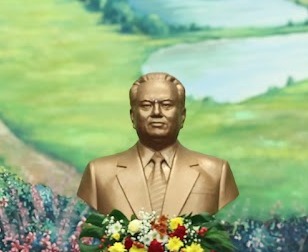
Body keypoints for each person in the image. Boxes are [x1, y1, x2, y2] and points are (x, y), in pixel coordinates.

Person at [76, 72, 239, 217]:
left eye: (166, 105)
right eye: (146, 105)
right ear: (133, 116)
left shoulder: (216, 172)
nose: (156, 112)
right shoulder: (99, 173)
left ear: (182, 116)